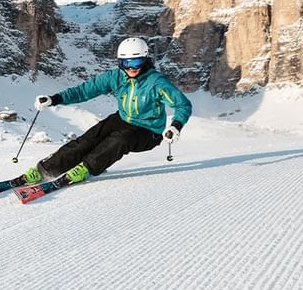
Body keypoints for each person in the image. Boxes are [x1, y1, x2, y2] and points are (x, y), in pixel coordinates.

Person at [24, 37, 193, 184]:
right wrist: (55, 99)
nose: (131, 68)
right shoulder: (115, 77)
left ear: (145, 59)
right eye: (126, 64)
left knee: (120, 140)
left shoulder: (156, 82)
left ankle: (86, 168)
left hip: (149, 131)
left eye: (137, 62)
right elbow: (85, 91)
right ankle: (46, 170)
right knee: (88, 140)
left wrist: (175, 126)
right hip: (123, 119)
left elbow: (182, 104)